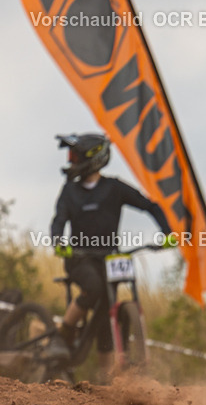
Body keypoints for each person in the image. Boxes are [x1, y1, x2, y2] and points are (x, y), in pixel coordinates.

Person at [49, 133, 173, 382]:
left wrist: (168, 233)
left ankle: (106, 380)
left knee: (108, 308)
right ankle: (62, 336)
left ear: (92, 159)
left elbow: (150, 205)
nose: (71, 163)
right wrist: (58, 242)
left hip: (108, 259)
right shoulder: (69, 191)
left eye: (75, 157)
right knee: (93, 287)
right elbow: (59, 220)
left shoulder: (114, 188)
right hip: (79, 258)